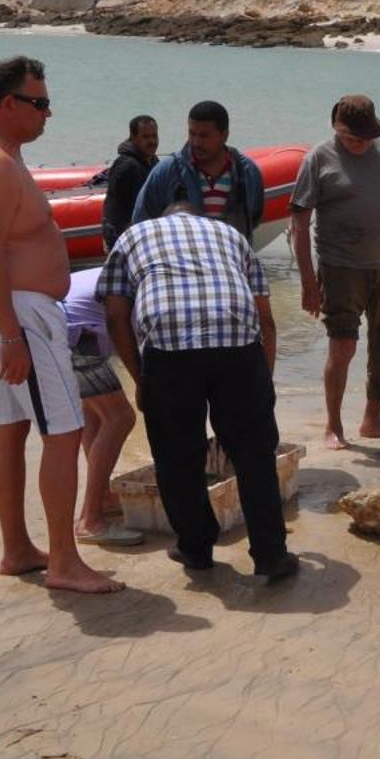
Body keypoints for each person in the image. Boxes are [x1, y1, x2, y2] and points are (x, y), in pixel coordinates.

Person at [0, 56, 119, 595]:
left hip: (6, 310)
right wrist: (10, 335)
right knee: (65, 431)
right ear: (8, 104)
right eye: (40, 102)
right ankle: (65, 562)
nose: (49, 113)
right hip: (18, 315)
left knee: (11, 425)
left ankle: (18, 549)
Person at [100, 199, 297, 580]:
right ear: (198, 217)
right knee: (253, 453)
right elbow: (266, 320)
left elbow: (114, 315)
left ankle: (195, 548)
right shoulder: (231, 235)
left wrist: (141, 380)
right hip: (237, 343)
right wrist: (263, 384)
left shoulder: (132, 235)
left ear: (164, 217)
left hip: (169, 348)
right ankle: (271, 555)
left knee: (177, 456)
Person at [289, 94, 380, 450]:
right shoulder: (319, 158)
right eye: (351, 138)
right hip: (339, 267)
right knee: (343, 346)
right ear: (336, 128)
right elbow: (299, 224)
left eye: (364, 137)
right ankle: (333, 426)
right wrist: (308, 282)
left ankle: (372, 421)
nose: (358, 143)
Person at [61, 267, 143, 547]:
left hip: (56, 325)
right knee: (120, 418)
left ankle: (103, 499)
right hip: (76, 333)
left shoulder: (127, 269)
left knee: (94, 416)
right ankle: (90, 520)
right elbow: (131, 336)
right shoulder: (146, 284)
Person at [131, 101, 265, 238]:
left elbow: (254, 217)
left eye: (204, 136)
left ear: (224, 135)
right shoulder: (168, 172)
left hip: (231, 257)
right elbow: (142, 223)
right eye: (192, 134)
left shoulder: (247, 172)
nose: (196, 142)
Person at [101, 114, 159, 249]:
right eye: (145, 137)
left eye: (154, 136)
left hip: (141, 234)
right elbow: (120, 211)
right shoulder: (127, 166)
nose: (151, 141)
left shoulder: (152, 161)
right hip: (124, 238)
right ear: (133, 137)